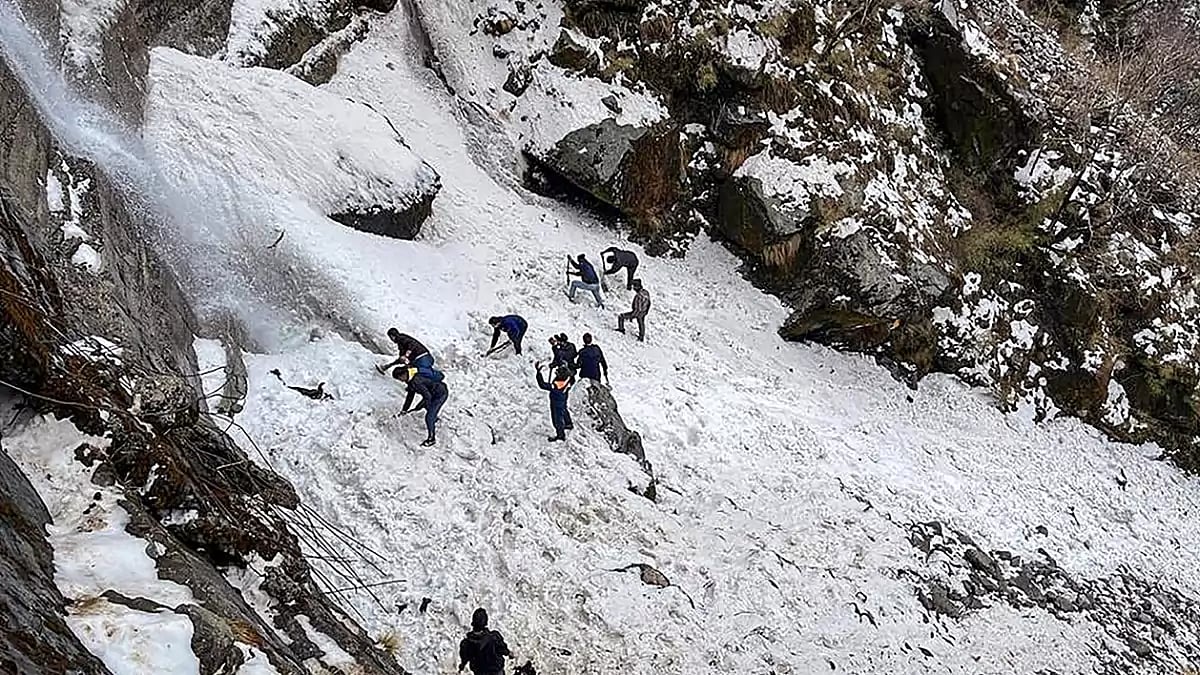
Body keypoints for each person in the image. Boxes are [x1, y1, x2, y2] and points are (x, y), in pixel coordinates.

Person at [395, 367, 448, 447]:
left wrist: (429, 408)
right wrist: (404, 410)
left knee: (429, 416)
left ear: (404, 374)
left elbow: (427, 396)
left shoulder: (416, 381)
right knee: (420, 407)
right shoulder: (411, 378)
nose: (401, 381)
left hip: (440, 394)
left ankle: (431, 439)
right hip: (433, 393)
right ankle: (434, 419)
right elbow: (410, 396)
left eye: (400, 378)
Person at [458, 608, 510, 675]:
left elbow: (464, 659)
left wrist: (461, 667)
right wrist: (509, 654)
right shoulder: (494, 637)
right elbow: (503, 650)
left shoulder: (466, 643)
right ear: (485, 622)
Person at [535, 362, 573, 442]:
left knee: (557, 419)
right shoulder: (568, 379)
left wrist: (538, 373)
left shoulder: (557, 385)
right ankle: (568, 423)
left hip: (556, 402)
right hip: (563, 398)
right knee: (564, 409)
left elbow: (542, 385)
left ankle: (560, 435)